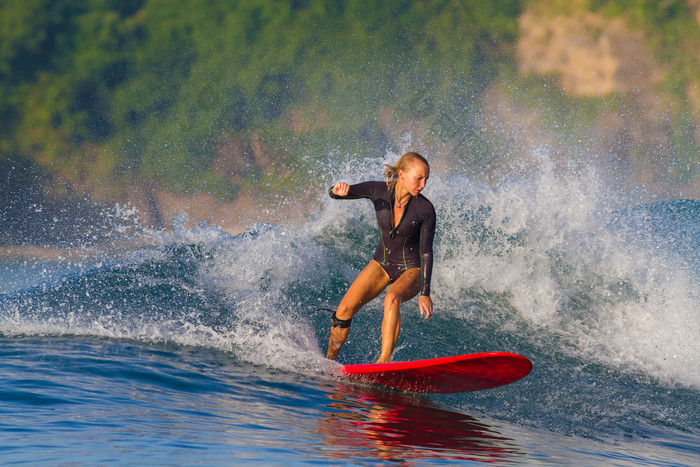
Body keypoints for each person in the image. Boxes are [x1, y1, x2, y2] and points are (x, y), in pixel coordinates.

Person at [326, 152, 436, 363]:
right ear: (402, 174)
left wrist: (425, 293)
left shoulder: (425, 209)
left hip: (411, 268)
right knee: (343, 311)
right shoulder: (378, 190)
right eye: (419, 178)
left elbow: (426, 252)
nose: (423, 185)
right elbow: (339, 193)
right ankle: (328, 362)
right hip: (382, 263)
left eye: (426, 179)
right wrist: (335, 190)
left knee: (392, 297)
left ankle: (383, 362)